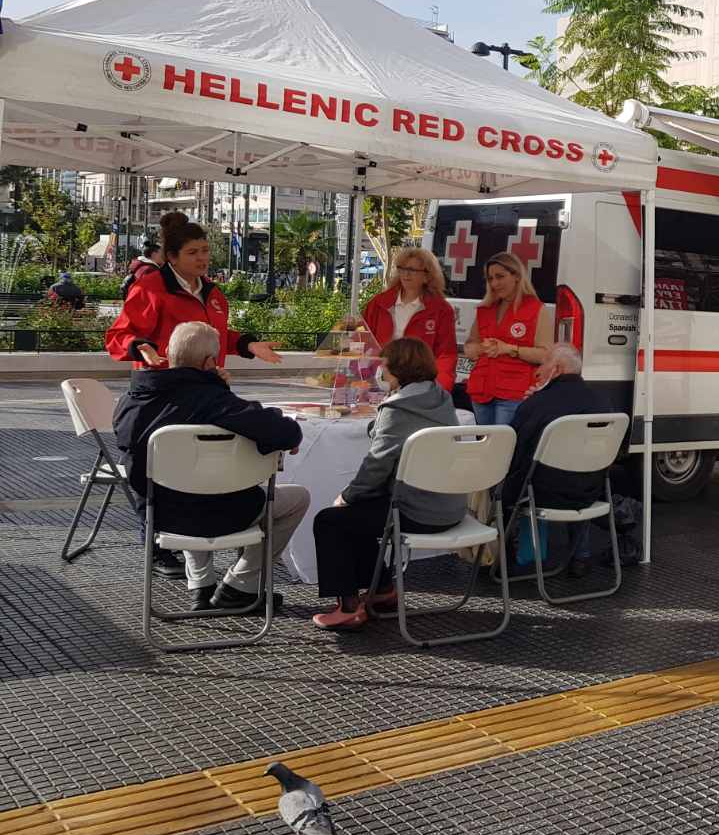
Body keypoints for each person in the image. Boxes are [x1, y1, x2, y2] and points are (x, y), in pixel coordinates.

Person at [113, 321, 309, 611]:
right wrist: (219, 388)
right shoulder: (213, 400)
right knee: (297, 499)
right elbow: (285, 432)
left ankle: (201, 587)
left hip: (160, 516)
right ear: (210, 362)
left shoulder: (131, 400)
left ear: (168, 352)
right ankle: (240, 584)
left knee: (182, 484)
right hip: (225, 512)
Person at [310, 337, 468, 630]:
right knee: (360, 513)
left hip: (418, 510)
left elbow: (376, 466)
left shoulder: (398, 409)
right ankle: (382, 588)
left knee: (331, 520)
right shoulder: (441, 398)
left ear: (397, 370)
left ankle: (348, 608)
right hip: (451, 506)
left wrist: (347, 495)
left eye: (385, 365)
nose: (381, 371)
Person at [105, 211, 283, 371]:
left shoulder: (213, 293)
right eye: (192, 253)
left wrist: (248, 345)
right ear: (172, 257)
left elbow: (212, 340)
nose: (202, 258)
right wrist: (138, 346)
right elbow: (118, 336)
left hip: (208, 389)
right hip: (164, 389)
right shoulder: (150, 289)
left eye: (205, 251)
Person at [502, 344, 608, 579]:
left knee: (501, 486)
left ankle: (504, 560)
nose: (538, 371)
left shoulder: (537, 404)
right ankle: (581, 556)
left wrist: (528, 404)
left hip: (542, 493)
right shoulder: (601, 403)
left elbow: (513, 449)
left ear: (557, 370)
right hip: (590, 493)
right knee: (578, 473)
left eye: (543, 364)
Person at [463, 251, 547, 426]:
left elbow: (545, 355)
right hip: (481, 392)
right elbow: (470, 345)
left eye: (500, 276)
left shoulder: (536, 309)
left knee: (504, 449)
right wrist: (476, 349)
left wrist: (509, 349)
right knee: (484, 447)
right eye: (490, 278)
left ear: (516, 275)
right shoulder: (485, 309)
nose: (494, 283)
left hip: (514, 393)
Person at [361, 246, 458, 390]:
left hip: (419, 384)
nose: (406, 274)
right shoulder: (378, 303)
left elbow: (446, 354)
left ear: (427, 276)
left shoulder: (441, 310)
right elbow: (363, 341)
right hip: (380, 379)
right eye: (402, 268)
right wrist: (362, 376)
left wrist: (440, 388)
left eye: (412, 270)